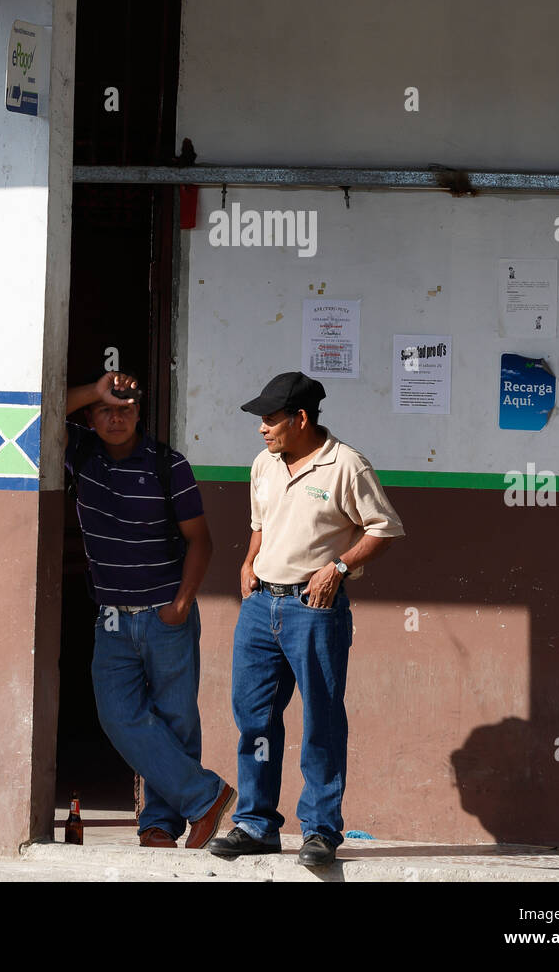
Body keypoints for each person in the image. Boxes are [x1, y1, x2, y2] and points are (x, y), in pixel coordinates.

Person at [209, 371, 405, 867]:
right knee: (253, 718)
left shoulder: (347, 465)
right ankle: (255, 823)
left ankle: (320, 830)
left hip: (314, 610)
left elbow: (383, 528)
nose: (262, 429)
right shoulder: (263, 464)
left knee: (320, 719)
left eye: (271, 419)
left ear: (300, 419)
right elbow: (259, 524)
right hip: (259, 607)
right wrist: (248, 563)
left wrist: (338, 568)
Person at [65, 370, 234, 849]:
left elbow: (200, 540)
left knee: (176, 719)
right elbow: (36, 412)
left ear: (140, 413)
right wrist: (95, 388)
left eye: (125, 409)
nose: (115, 418)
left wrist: (180, 605)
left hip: (165, 611)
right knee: (118, 716)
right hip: (112, 618)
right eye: (104, 409)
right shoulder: (80, 452)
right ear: (90, 416)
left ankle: (160, 823)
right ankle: (205, 797)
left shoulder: (167, 464)